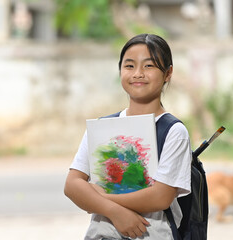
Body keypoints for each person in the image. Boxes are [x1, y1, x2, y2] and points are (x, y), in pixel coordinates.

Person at [64, 33, 192, 240]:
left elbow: (161, 197)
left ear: (168, 73)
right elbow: (72, 185)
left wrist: (98, 197)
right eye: (129, 66)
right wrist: (115, 212)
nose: (138, 73)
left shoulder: (173, 131)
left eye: (149, 66)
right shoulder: (103, 127)